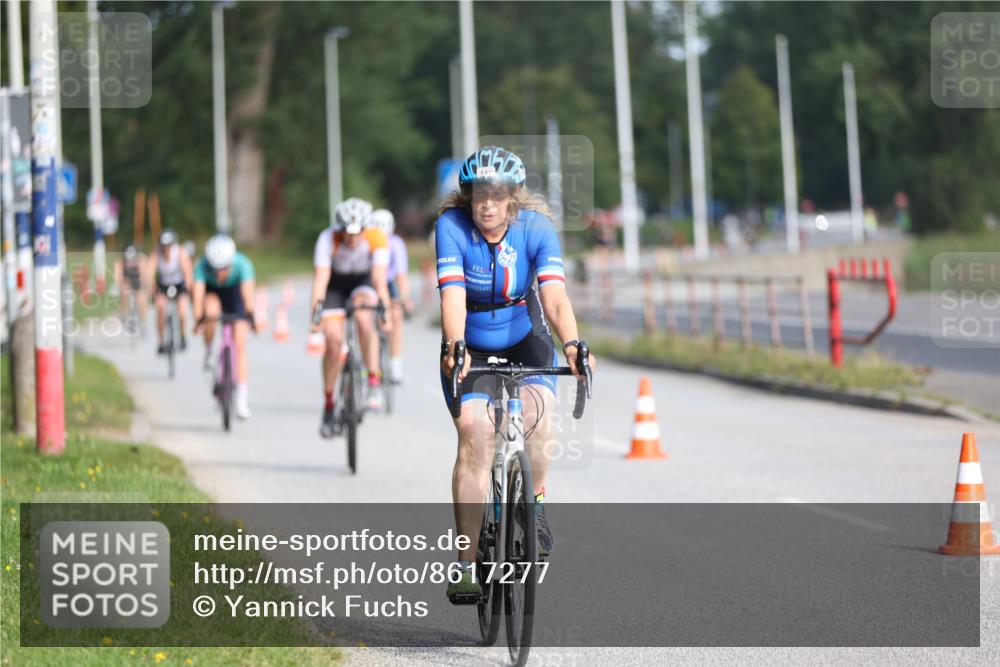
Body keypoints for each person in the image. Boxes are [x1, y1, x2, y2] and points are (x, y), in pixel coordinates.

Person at [436, 146, 596, 601]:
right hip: (471, 342)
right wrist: (455, 345)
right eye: (478, 194)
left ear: (513, 197)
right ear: (467, 197)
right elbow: (452, 298)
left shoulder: (536, 228)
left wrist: (572, 343)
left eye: (497, 193)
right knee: (475, 436)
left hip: (527, 337)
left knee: (540, 421)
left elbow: (556, 299)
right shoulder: (451, 227)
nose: (486, 203)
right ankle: (467, 562)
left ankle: (536, 505)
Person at [310, 197, 393, 438]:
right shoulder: (327, 239)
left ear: (366, 229)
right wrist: (315, 315)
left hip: (363, 282)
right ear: (340, 228)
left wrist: (385, 311)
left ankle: (374, 382)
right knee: (334, 343)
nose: (351, 239)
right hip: (335, 285)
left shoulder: (377, 237)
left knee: (365, 319)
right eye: (346, 233)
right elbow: (321, 281)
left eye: (356, 234)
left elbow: (379, 280)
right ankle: (328, 403)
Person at [191, 233, 256, 419]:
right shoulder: (202, 267)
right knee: (210, 311)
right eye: (215, 268)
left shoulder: (243, 265)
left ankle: (242, 399)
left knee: (240, 344)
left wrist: (251, 317)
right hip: (213, 295)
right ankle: (210, 350)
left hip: (235, 295)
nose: (219, 272)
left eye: (224, 268)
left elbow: (248, 298)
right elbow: (198, 298)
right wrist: (198, 321)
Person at [371, 208, 414, 383]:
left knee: (396, 314)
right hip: (370, 282)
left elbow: (401, 276)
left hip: (388, 283)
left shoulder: (396, 244)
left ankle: (395, 363)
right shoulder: (368, 240)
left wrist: (406, 299)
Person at [149, 228, 194, 354]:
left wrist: (188, 286)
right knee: (161, 308)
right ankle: (161, 341)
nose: (165, 249)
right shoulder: (156, 253)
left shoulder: (180, 252)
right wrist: (152, 286)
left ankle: (183, 335)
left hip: (179, 284)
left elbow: (187, 271)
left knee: (182, 310)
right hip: (163, 284)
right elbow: (150, 272)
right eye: (163, 246)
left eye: (168, 246)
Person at [115, 243, 148, 333]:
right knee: (124, 292)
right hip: (126, 283)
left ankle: (143, 323)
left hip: (138, 283)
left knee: (141, 299)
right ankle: (124, 314)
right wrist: (121, 285)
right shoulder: (120, 263)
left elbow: (144, 276)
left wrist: (142, 286)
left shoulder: (141, 260)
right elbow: (118, 278)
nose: (130, 262)